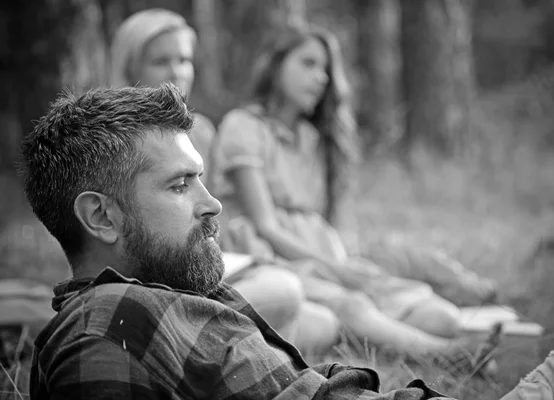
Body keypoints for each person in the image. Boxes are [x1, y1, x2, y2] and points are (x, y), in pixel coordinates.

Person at [22, 83, 454, 399]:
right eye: (179, 186)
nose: (213, 204)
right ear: (101, 217)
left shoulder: (171, 293)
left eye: (201, 180)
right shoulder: (103, 326)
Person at [210, 22, 496, 355]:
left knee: (440, 317)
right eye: (308, 64)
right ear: (276, 64)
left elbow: (327, 222)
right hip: (270, 254)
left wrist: (346, 263)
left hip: (319, 252)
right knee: (355, 303)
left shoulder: (314, 137)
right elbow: (266, 227)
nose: (322, 78)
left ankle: (424, 328)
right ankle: (447, 355)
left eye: (326, 69)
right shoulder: (242, 126)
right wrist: (335, 268)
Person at [108, 8, 304, 338]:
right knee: (286, 293)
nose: (176, 72)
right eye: (161, 61)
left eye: (184, 60)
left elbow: (208, 214)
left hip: (206, 267)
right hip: (154, 276)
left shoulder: (201, 132)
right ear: (130, 67)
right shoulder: (114, 138)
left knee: (317, 315)